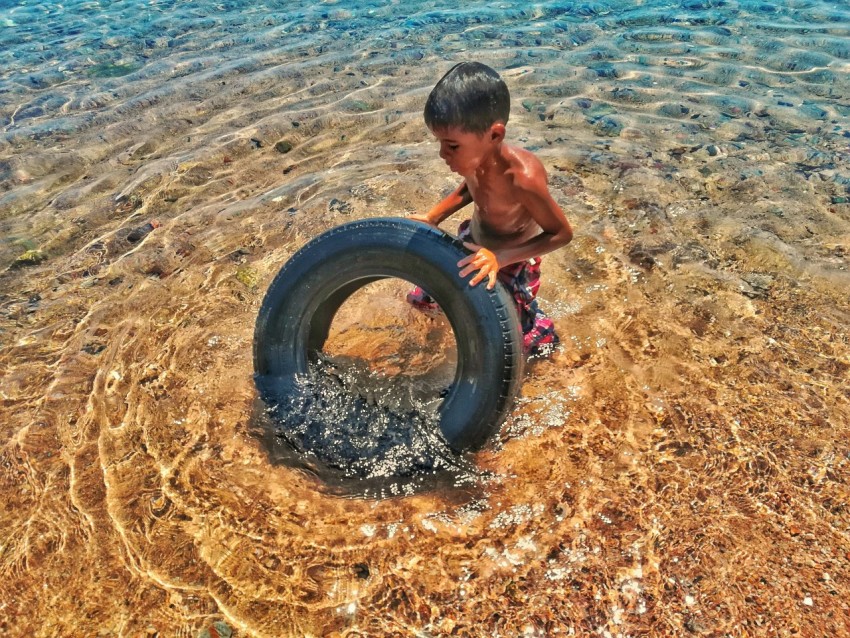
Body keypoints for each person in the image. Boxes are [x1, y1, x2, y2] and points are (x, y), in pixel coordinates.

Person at [407, 61, 574, 355]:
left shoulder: (523, 179)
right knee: (424, 298)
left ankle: (544, 349)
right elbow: (471, 189)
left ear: (495, 135)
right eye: (440, 143)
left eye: (452, 146)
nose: (442, 153)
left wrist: (501, 257)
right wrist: (435, 216)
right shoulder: (475, 160)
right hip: (475, 242)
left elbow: (561, 234)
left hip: (513, 260)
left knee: (515, 336)